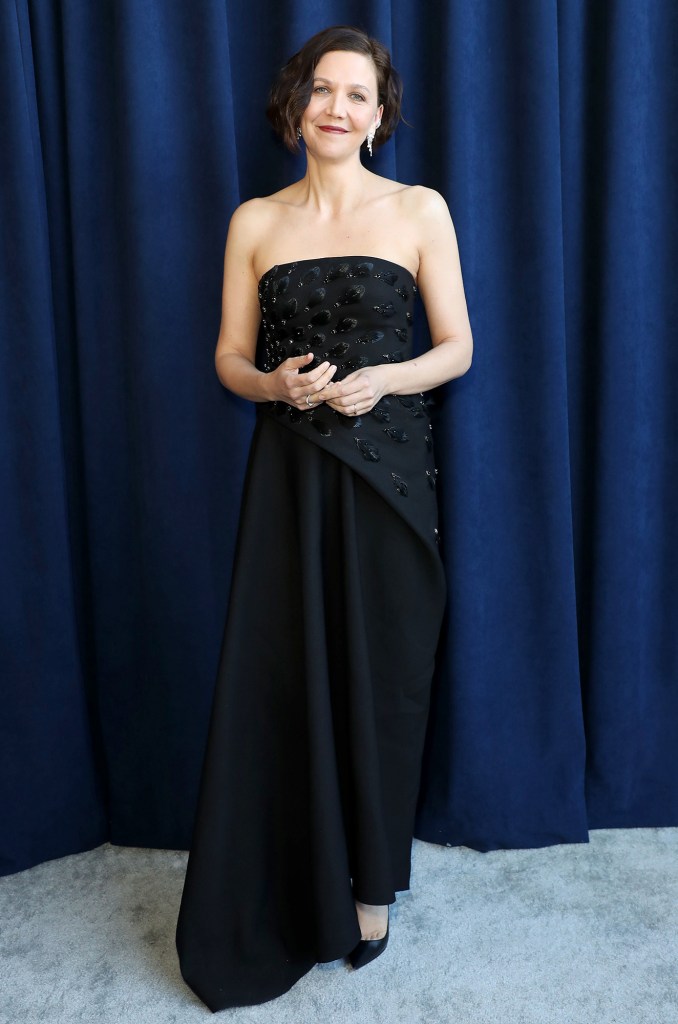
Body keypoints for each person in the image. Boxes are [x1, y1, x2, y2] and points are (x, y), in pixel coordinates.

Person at [175, 24, 473, 1012]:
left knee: (383, 678)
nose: (336, 107)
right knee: (290, 674)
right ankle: (299, 877)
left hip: (391, 478)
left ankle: (372, 888)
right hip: (289, 473)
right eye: (321, 90)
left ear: (380, 117)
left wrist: (385, 378)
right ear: (295, 105)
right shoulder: (254, 221)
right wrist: (272, 383)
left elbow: (458, 347)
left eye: (357, 94)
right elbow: (228, 358)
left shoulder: (419, 208)